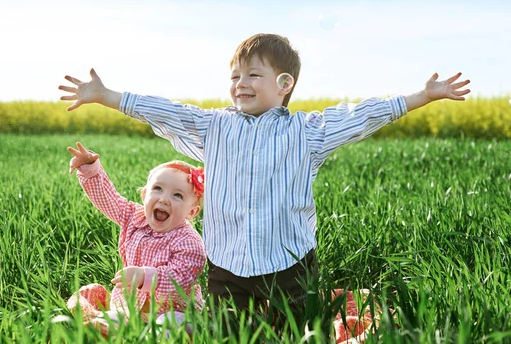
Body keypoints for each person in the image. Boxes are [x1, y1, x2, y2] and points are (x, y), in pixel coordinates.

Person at [58, 33, 471, 323]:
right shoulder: (214, 127)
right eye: (235, 76)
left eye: (253, 75)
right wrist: (107, 96)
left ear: (284, 84)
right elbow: (166, 110)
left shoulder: (307, 131)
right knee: (229, 332)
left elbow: (363, 115)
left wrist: (423, 96)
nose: (241, 84)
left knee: (292, 330)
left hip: (288, 262)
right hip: (226, 265)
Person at [65, 142, 206, 337]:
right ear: (144, 195)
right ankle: (112, 327)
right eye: (157, 189)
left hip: (174, 309)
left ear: (192, 212)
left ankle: (156, 336)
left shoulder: (189, 242)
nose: (164, 199)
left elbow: (180, 278)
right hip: (131, 305)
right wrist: (90, 169)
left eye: (178, 195)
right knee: (113, 319)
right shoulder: (134, 217)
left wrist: (143, 276)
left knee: (168, 324)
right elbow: (109, 200)